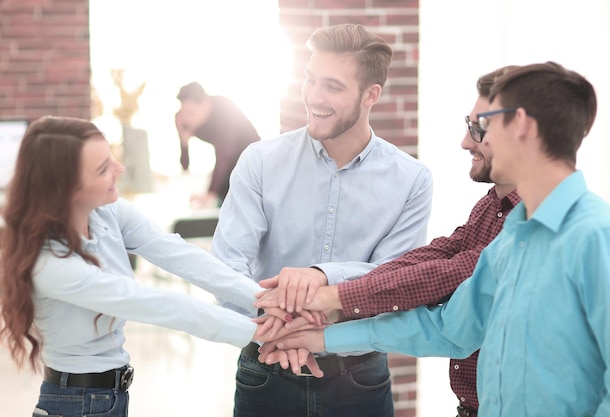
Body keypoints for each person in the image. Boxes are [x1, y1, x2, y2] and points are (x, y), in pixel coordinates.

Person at [260, 62, 610, 416]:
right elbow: (449, 329)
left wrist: (331, 300)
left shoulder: (599, 238)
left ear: (522, 126)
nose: (472, 140)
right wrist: (318, 338)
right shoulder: (512, 241)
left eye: (485, 124)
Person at [255, 65, 521, 417]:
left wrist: (331, 302)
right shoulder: (492, 206)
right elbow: (436, 256)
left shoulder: (532, 225)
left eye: (478, 128)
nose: (465, 142)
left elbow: (451, 296)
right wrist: (326, 300)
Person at [210, 24, 433, 417]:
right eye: (310, 80)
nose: (314, 96)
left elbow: (394, 282)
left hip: (358, 381)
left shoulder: (411, 180)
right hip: (265, 371)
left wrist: (322, 275)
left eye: (332, 85)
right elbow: (226, 267)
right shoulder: (260, 162)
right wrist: (282, 329)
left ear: (371, 95)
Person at [0, 116, 287, 417]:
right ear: (66, 187)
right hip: (75, 404)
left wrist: (264, 302)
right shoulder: (48, 262)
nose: (119, 169)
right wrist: (264, 331)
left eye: (111, 157)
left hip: (109, 397)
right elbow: (154, 303)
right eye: (102, 169)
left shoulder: (107, 213)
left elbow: (180, 254)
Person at [175, 81, 260, 207]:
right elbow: (185, 166)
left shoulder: (224, 109)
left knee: (228, 201)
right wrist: (184, 142)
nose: (187, 117)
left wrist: (211, 193)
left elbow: (225, 154)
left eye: (191, 112)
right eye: (184, 111)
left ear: (206, 104)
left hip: (251, 160)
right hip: (227, 163)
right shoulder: (183, 119)